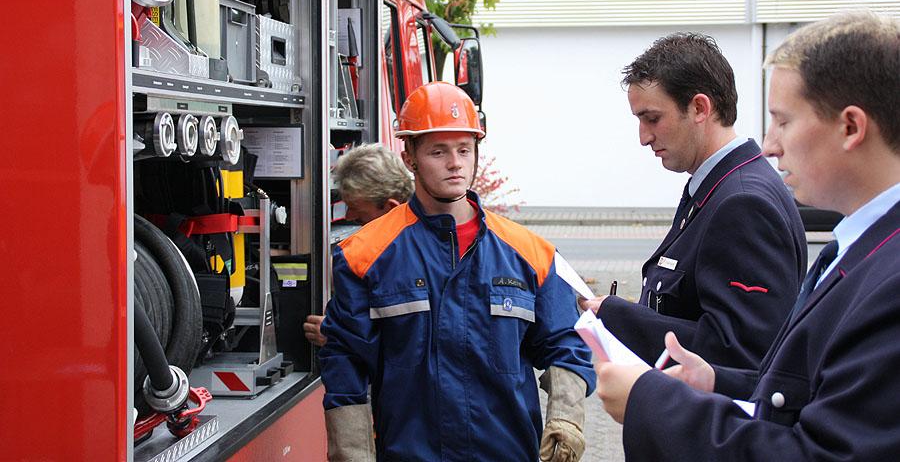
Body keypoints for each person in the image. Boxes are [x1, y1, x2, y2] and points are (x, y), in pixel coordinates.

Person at [596, 10, 900, 460]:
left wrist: (651, 401)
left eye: (783, 121)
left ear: (851, 127)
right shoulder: (853, 248)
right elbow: (796, 388)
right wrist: (715, 382)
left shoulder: (887, 277)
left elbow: (821, 450)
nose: (771, 144)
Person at [319, 82, 595, 462]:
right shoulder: (364, 255)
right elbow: (345, 362)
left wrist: (567, 418)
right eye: (438, 151)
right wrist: (352, 454)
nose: (455, 163)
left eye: (464, 150)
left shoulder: (532, 255)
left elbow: (568, 343)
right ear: (410, 156)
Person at [580, 33, 806, 370]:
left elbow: (740, 353)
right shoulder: (716, 187)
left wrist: (618, 317)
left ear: (699, 108)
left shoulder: (742, 204)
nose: (643, 138)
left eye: (652, 118)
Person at [304, 143, 414, 347]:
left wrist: (336, 337)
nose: (349, 216)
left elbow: (408, 343)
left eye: (355, 208)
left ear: (391, 207)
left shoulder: (406, 260)